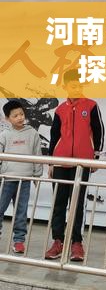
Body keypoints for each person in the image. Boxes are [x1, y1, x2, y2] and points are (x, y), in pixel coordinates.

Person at [45, 69, 105, 261]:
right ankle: (58, 241)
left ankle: (76, 243)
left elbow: (99, 131)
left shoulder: (91, 105)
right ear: (65, 86)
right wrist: (51, 162)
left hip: (81, 163)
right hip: (61, 161)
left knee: (77, 204)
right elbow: (54, 136)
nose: (77, 88)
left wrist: (94, 158)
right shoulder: (60, 109)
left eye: (80, 85)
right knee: (59, 202)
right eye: (73, 85)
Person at [0, 100, 43, 254]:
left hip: (24, 180)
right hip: (6, 180)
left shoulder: (32, 133)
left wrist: (37, 175)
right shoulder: (4, 135)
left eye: (21, 114)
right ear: (7, 118)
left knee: (21, 212)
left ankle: (19, 241)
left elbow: (37, 155)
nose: (20, 117)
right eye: (15, 115)